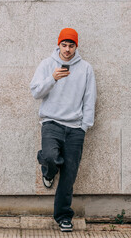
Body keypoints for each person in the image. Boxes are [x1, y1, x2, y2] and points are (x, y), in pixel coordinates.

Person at [30, 28, 96, 232]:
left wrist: (85, 126)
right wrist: (53, 78)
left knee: (69, 175)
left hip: (75, 128)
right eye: (64, 45)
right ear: (58, 44)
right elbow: (35, 92)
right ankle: (48, 171)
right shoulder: (47, 64)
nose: (67, 50)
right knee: (50, 157)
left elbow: (90, 98)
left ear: (77, 46)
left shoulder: (85, 68)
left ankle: (64, 217)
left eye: (71, 45)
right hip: (51, 122)